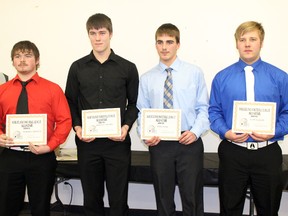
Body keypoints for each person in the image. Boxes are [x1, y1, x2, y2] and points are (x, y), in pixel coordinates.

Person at [209, 21, 288, 216]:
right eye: (242, 39)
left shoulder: (279, 77)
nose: (247, 44)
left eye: (252, 39)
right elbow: (214, 112)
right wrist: (226, 132)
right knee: (230, 209)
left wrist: (274, 131)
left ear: (261, 43)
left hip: (267, 153)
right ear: (236, 43)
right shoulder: (222, 77)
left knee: (268, 209)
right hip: (233, 152)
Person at [65, 13, 139, 216]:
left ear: (110, 34)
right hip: (88, 144)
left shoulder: (128, 68)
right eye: (93, 33)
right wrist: (78, 128)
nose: (98, 38)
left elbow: (133, 104)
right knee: (91, 199)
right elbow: (69, 101)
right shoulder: (77, 67)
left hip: (117, 143)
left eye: (102, 32)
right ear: (88, 35)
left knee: (118, 200)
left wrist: (125, 127)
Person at [137, 23, 210, 216]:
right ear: (155, 45)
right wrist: (145, 136)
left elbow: (204, 109)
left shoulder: (194, 73)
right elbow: (141, 112)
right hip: (160, 144)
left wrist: (194, 132)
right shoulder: (146, 78)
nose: (164, 47)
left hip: (188, 141)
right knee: (163, 197)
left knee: (192, 197)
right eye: (160, 42)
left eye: (169, 42)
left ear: (178, 44)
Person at [0, 40, 72, 216]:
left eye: (27, 55)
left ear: (37, 60)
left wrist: (50, 146)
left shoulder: (53, 89)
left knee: (40, 209)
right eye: (17, 56)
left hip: (42, 157)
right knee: (6, 208)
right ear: (12, 61)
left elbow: (65, 121)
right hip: (10, 157)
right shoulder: (2, 90)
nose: (22, 60)